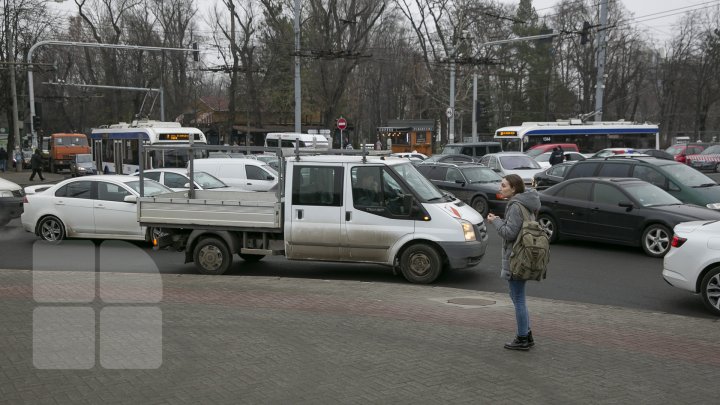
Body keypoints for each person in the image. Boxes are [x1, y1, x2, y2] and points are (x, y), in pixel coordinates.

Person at [486, 174, 541, 351]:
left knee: (518, 299)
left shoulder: (516, 207)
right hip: (524, 256)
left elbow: (509, 233)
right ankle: (527, 333)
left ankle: (522, 338)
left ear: (514, 188)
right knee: (517, 297)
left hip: (517, 258)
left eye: (503, 185)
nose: (500, 188)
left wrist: (495, 221)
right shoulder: (527, 203)